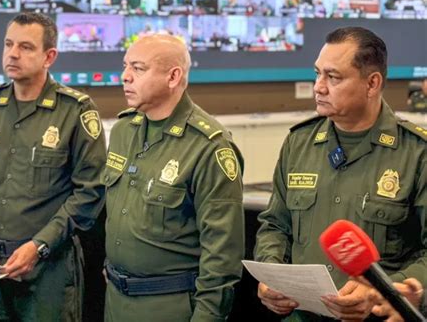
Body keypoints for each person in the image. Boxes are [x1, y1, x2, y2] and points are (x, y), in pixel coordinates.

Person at [254, 26, 426, 321]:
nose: (318, 86)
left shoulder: (416, 153)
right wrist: (271, 275)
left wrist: (395, 289)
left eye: (333, 77)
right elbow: (274, 226)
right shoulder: (299, 143)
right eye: (318, 73)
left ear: (372, 83)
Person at [0, 12, 106, 321]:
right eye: (9, 44)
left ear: (49, 56)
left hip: (48, 270)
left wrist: (40, 246)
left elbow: (89, 193)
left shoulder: (75, 111)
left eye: (25, 47)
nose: (12, 53)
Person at [102, 34, 244, 322]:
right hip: (115, 298)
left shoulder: (208, 146)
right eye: (125, 66)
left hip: (170, 305)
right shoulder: (123, 130)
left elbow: (222, 254)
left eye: (138, 69)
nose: (125, 77)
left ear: (173, 76)